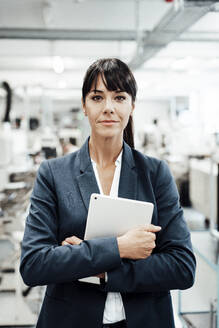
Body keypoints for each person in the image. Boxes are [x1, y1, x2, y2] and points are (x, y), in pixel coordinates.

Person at [20, 58, 196, 328]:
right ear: (84, 106)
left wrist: (100, 271)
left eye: (119, 97)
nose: (108, 108)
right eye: (97, 97)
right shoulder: (54, 174)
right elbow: (34, 264)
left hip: (143, 320)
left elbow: (182, 267)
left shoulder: (155, 173)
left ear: (132, 106)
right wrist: (120, 247)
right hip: (71, 320)